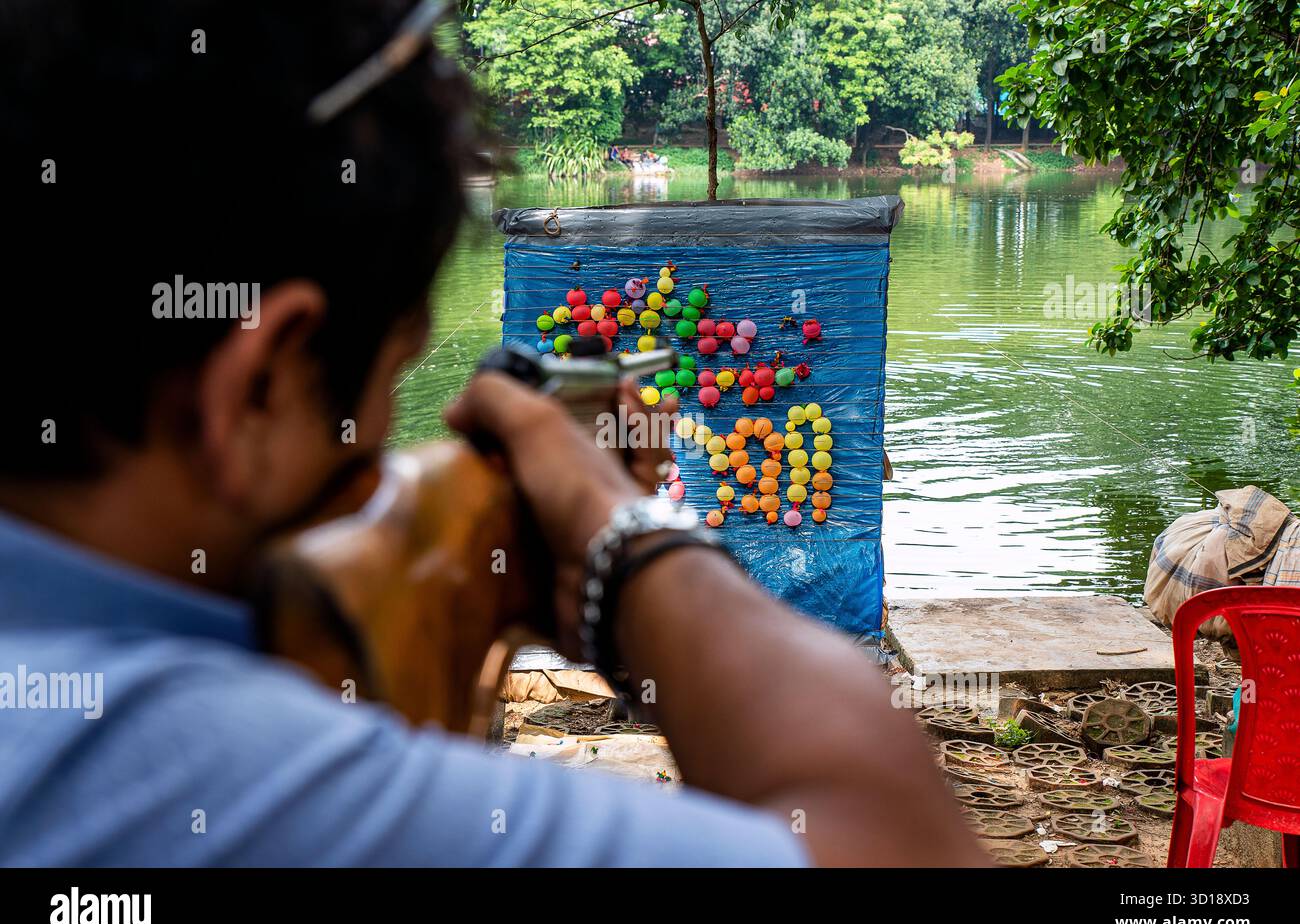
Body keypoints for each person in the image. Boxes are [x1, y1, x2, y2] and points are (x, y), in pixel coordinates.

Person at [0, 0, 985, 867]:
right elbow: (896, 839)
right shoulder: (197, 775)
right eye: (382, 399)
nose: (376, 451)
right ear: (254, 391)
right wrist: (624, 541)